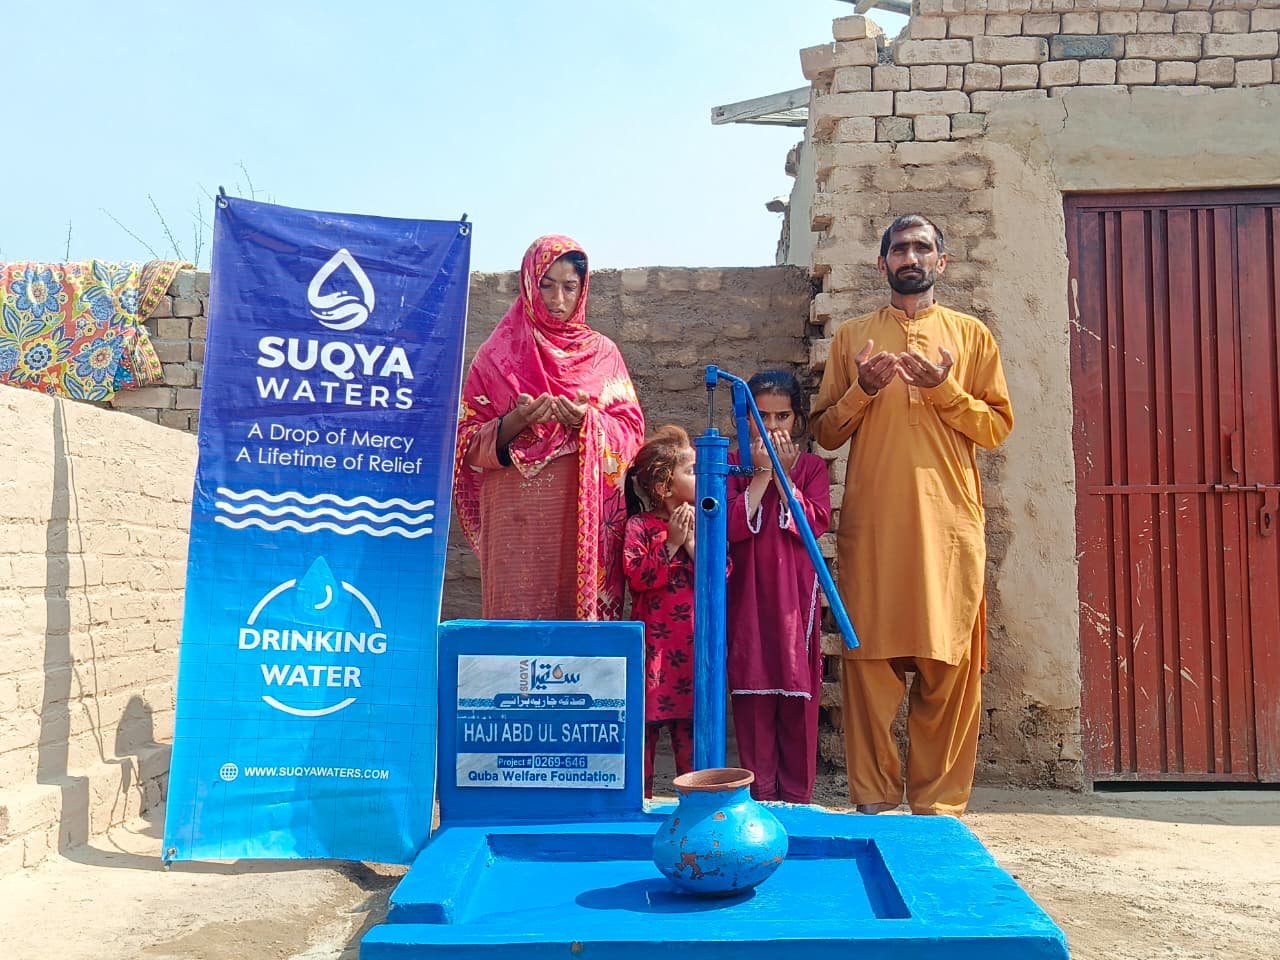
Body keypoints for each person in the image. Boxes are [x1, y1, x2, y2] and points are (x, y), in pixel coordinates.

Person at [810, 214, 1013, 816]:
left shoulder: (971, 337)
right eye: (899, 249)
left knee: (947, 665)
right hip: (875, 530)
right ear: (883, 264)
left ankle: (938, 811)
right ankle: (873, 803)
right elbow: (825, 433)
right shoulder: (853, 339)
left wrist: (944, 390)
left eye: (923, 248)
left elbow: (995, 428)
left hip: (948, 530)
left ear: (941, 262)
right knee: (869, 667)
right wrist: (864, 389)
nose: (911, 257)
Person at [454, 235, 645, 621]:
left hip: (582, 511)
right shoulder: (495, 356)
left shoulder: (603, 354)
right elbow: (465, 443)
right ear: (529, 283)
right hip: (516, 516)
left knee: (576, 632)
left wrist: (586, 421)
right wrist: (517, 420)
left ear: (582, 289)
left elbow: (631, 432)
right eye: (547, 285)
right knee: (516, 625)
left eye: (569, 287)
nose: (558, 299)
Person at [726, 370, 832, 804]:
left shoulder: (810, 469)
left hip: (794, 601)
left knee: (796, 700)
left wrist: (784, 478)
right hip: (747, 599)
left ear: (798, 420)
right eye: (762, 417)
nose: (771, 428)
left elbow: (813, 524)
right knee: (751, 694)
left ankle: (797, 802)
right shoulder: (732, 465)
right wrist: (762, 475)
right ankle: (759, 802)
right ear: (746, 418)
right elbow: (729, 526)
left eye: (782, 417)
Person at [622, 426, 700, 797]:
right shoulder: (639, 526)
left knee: (691, 737)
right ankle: (641, 802)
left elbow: (721, 577)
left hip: (692, 648)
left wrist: (691, 543)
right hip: (653, 649)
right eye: (691, 471)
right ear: (664, 486)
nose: (700, 477)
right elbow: (637, 576)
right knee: (644, 731)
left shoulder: (706, 521)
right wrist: (670, 544)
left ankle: (696, 806)